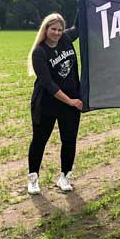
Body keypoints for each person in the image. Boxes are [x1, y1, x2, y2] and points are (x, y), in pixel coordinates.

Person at [26, 12, 83, 193]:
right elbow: (49, 84)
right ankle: (33, 178)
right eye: (53, 29)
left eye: (59, 29)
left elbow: (79, 27)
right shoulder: (39, 52)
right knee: (39, 141)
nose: (57, 33)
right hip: (47, 104)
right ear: (46, 29)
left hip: (71, 102)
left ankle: (65, 177)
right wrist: (71, 102)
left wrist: (81, 3)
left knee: (69, 140)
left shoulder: (66, 39)